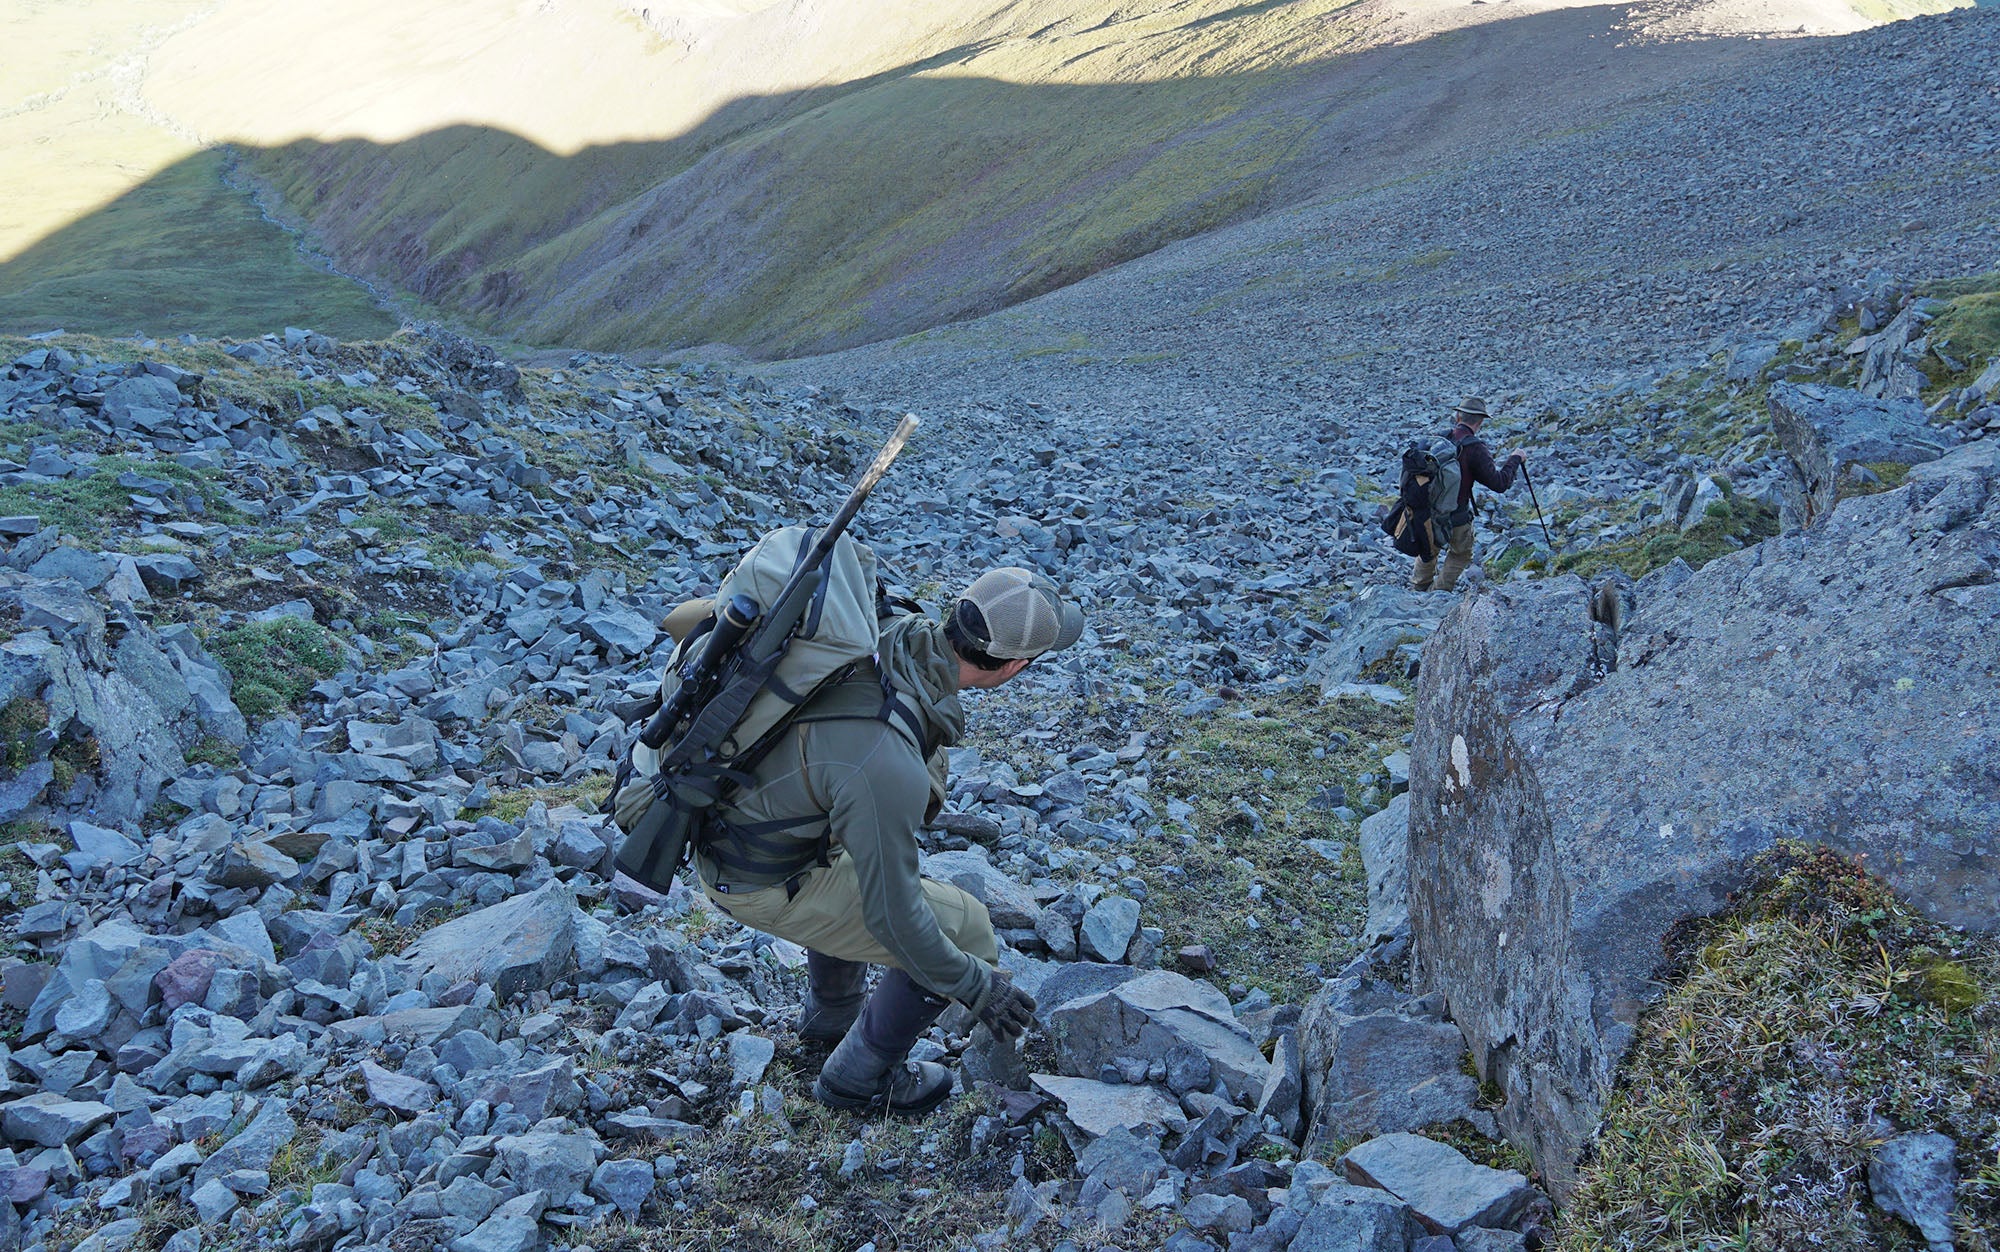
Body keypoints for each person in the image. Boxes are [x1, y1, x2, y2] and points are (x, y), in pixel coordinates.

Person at [690, 566, 1085, 1115]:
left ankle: (832, 1016)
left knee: (865, 852)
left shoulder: (887, 631)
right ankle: (857, 1081)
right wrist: (978, 986)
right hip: (756, 876)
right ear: (1015, 667)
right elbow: (893, 919)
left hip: (741, 821)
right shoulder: (888, 761)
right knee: (966, 927)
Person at [1412, 396, 1528, 592]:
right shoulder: (1475, 448)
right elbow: (1500, 483)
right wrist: (1515, 459)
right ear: (1480, 421)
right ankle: (1438, 593)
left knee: (1428, 550)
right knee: (1460, 553)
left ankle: (1418, 589)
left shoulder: (1440, 438)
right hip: (1457, 515)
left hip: (1428, 511)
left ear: (1458, 416)